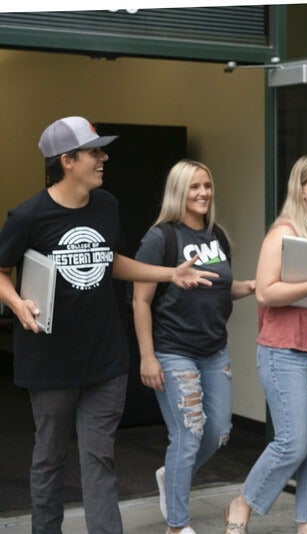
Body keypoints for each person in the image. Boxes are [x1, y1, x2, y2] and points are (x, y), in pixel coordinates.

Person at [0, 116, 218, 534]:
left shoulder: (106, 205)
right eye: (94, 152)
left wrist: (170, 273)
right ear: (67, 161)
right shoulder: (28, 216)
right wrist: (16, 302)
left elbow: (111, 260)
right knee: (49, 458)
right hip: (50, 363)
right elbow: (2, 270)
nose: (104, 158)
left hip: (105, 360)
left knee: (100, 459)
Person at [131, 159, 256, 534]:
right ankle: (177, 524)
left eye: (207, 185)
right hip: (173, 351)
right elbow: (140, 300)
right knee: (188, 435)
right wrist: (147, 356)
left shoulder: (218, 236)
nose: (203, 193)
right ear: (178, 192)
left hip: (214, 351)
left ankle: (171, 476)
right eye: (194, 187)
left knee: (217, 432)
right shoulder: (161, 238)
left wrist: (252, 287)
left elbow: (221, 287)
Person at [224, 155, 307, 534]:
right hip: (284, 353)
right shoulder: (282, 233)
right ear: (302, 190)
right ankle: (243, 502)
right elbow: (264, 292)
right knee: (293, 442)